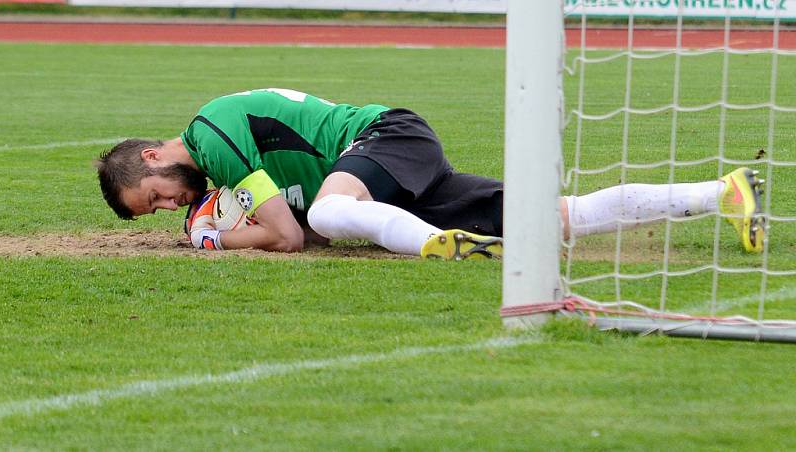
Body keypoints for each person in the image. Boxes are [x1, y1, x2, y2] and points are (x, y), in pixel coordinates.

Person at [96, 88, 766, 259]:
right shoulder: (227, 174)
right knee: (557, 219)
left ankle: (432, 246)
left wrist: (215, 239)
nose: (168, 206)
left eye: (154, 197)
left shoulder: (213, 132)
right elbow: (312, 234)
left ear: (154, 156)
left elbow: (293, 238)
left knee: (328, 210)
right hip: (383, 177)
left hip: (388, 136)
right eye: (156, 210)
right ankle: (721, 193)